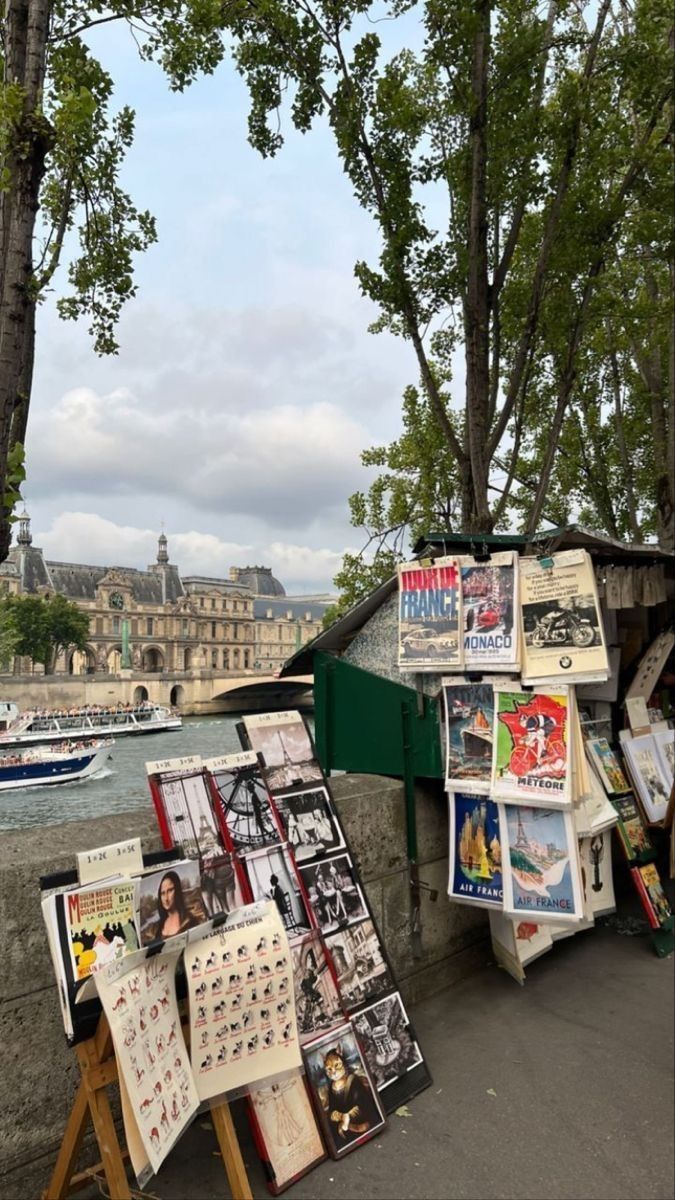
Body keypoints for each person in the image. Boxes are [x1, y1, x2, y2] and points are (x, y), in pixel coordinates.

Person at [321, 1047, 380, 1146]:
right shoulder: (332, 1088)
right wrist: (339, 1116)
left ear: (343, 1063)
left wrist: (348, 1116)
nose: (334, 1072)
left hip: (362, 1125)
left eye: (337, 1065)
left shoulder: (352, 1080)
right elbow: (332, 1110)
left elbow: (363, 1105)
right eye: (329, 1069)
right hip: (344, 1130)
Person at [152, 871, 199, 941]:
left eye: (170, 890)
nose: (166, 898)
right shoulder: (156, 927)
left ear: (177, 890)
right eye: (162, 893)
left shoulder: (189, 920)